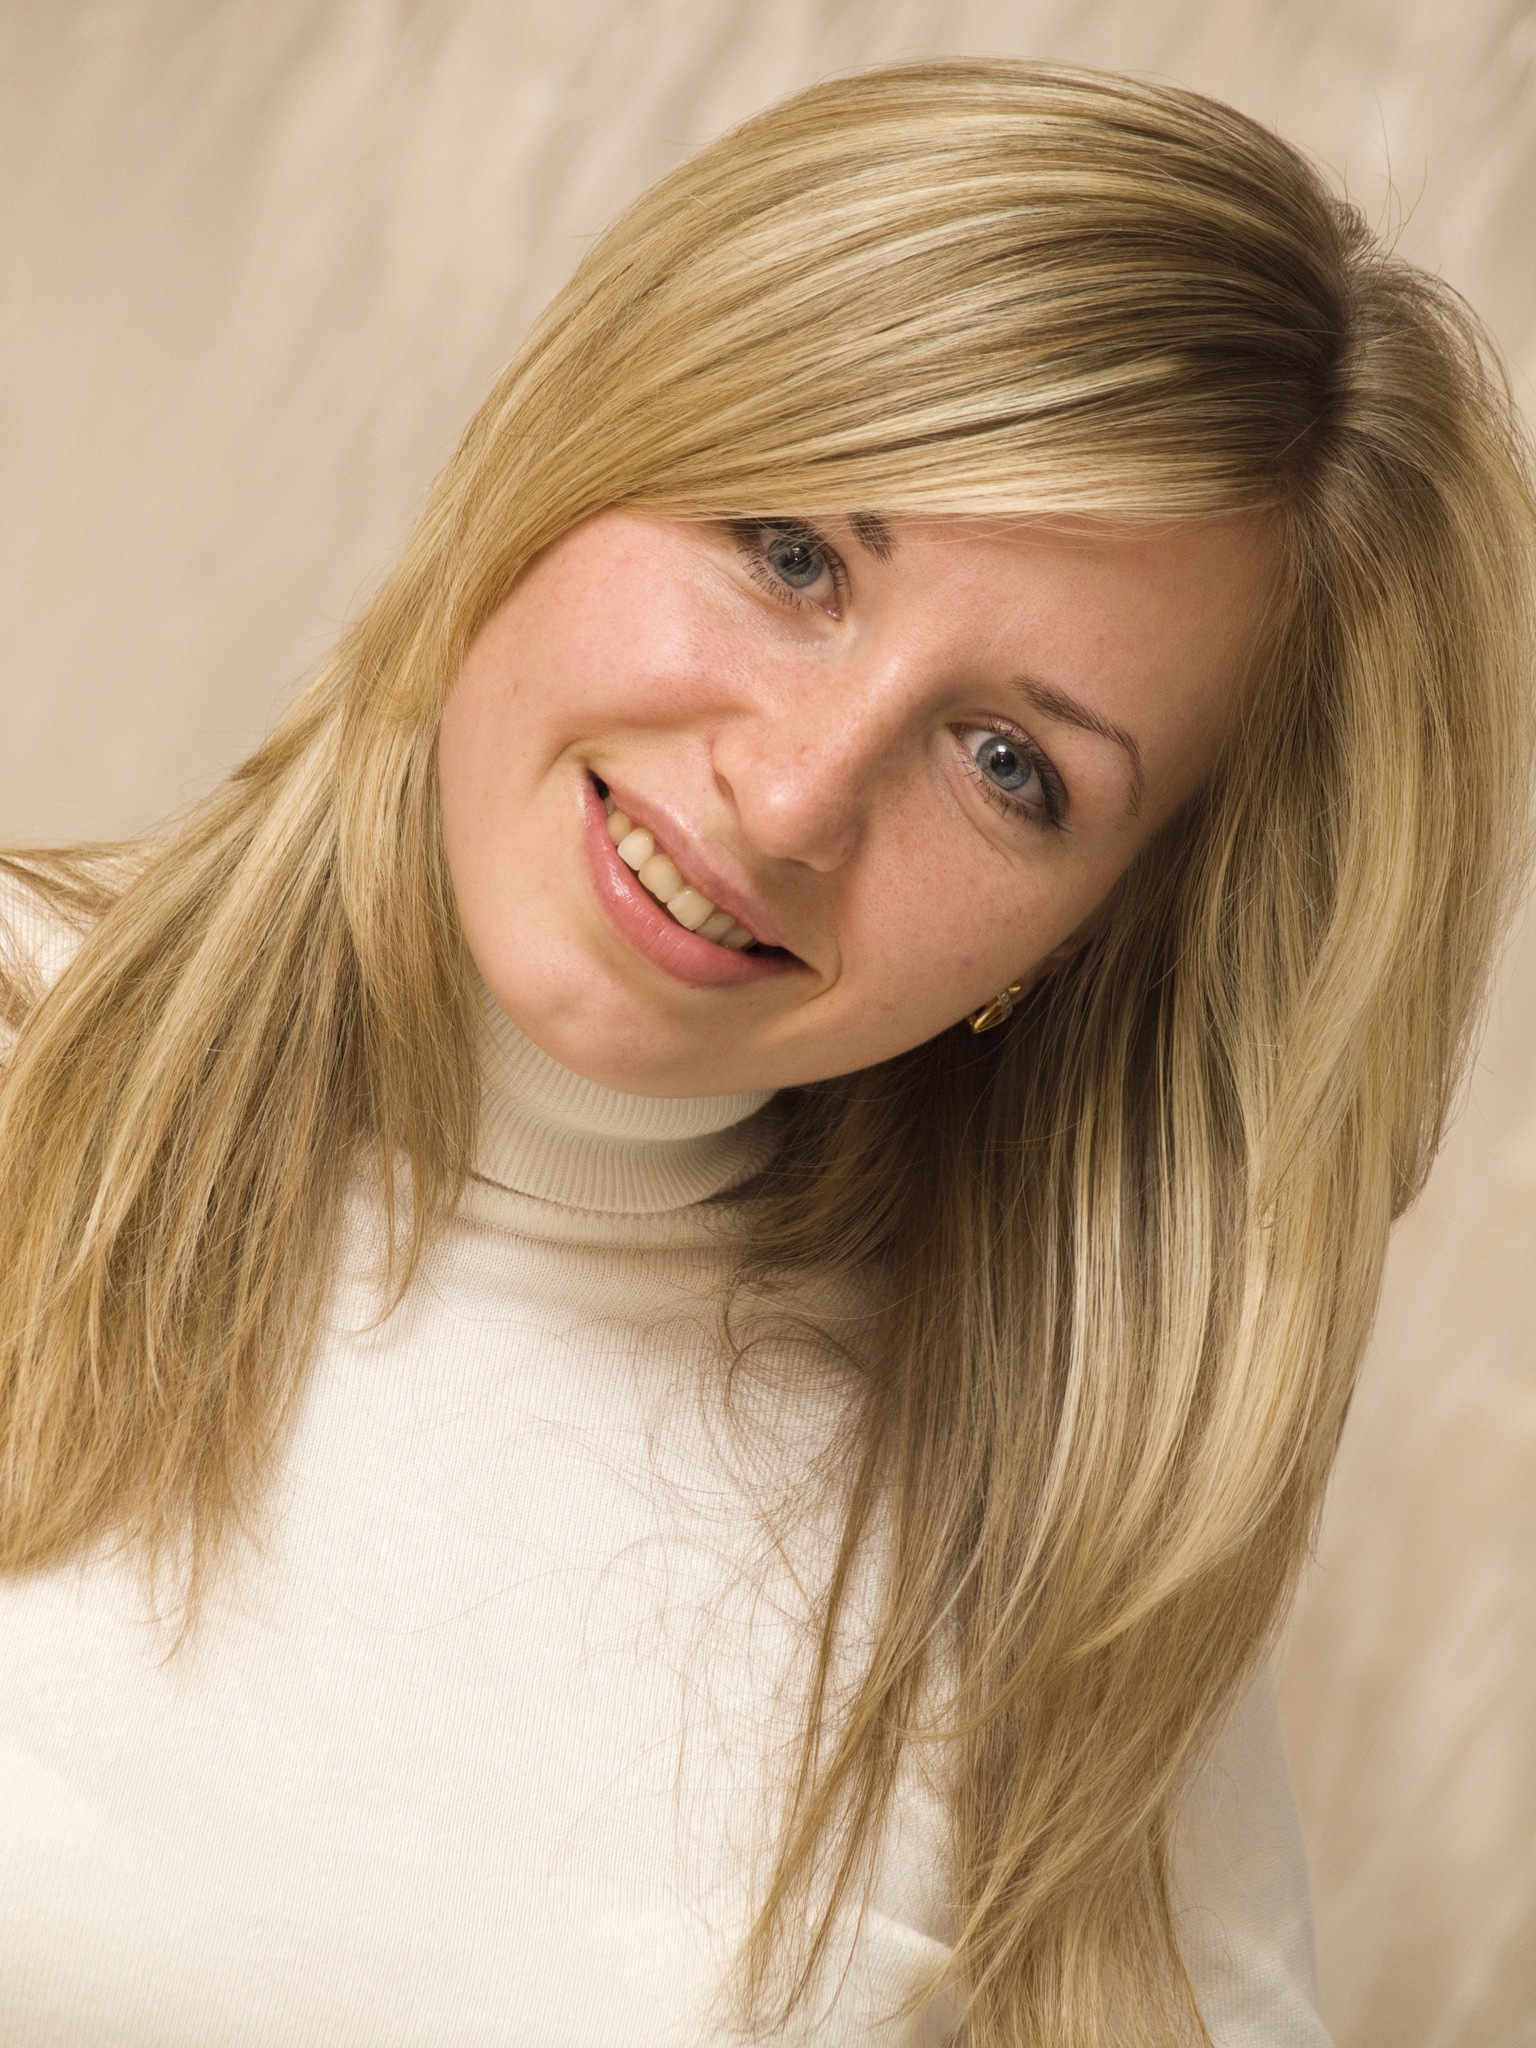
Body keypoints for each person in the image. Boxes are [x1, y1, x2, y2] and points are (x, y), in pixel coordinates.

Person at [0, 57, 1531, 2048]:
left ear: (1087, 939)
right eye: (794, 554)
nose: (797, 797)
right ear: (583, 437)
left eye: (1011, 764)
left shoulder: (1048, 1587)